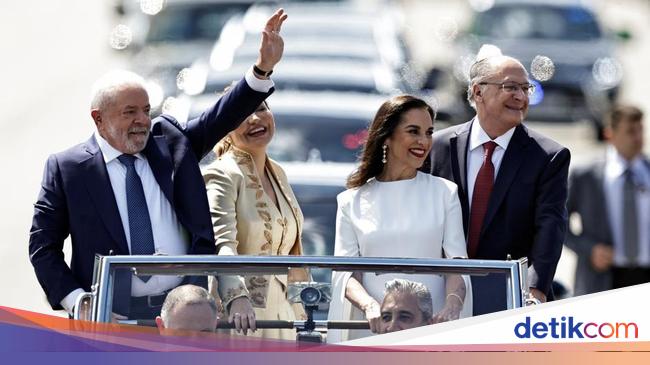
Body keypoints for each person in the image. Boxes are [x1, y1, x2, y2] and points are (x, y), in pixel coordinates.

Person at [28, 9, 289, 319]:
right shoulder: (68, 169)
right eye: (129, 112)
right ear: (98, 118)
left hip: (184, 313)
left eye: (146, 110)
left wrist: (262, 69)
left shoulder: (169, 142)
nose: (142, 120)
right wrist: (78, 301)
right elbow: (43, 247)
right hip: (112, 318)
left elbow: (220, 116)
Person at [428, 47, 571, 315]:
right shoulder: (438, 147)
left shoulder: (549, 157)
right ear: (478, 91)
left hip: (509, 297)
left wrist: (534, 291)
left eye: (525, 88)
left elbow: (550, 227)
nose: (520, 96)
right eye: (510, 87)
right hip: (440, 295)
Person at [328, 95, 470, 343]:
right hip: (374, 329)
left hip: (431, 327)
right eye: (413, 131)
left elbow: (457, 265)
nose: (424, 141)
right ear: (387, 137)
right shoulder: (351, 201)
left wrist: (452, 305)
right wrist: (370, 307)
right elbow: (346, 275)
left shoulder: (445, 193)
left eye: (428, 132)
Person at [202, 96, 307, 340]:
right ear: (225, 129)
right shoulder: (221, 174)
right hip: (242, 321)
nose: (255, 119)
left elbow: (293, 253)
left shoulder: (278, 172)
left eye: (261, 108)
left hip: (284, 316)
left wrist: (302, 311)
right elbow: (222, 244)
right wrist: (236, 298)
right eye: (241, 115)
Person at [566, 105, 650, 295]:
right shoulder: (586, 175)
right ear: (609, 134)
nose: (638, 138)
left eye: (640, 130)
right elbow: (557, 221)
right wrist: (590, 249)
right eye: (630, 131)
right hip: (602, 280)